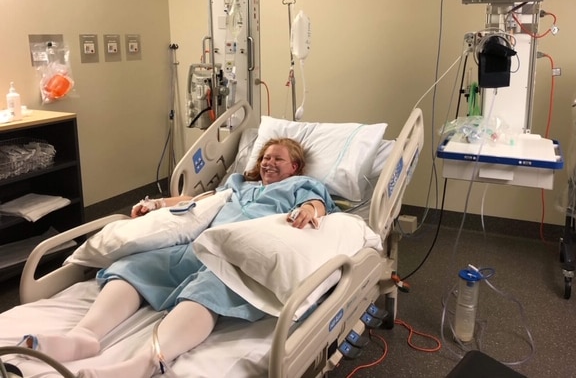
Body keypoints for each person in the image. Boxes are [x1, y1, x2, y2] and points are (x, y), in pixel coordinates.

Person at [21, 138, 339, 378]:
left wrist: (309, 210)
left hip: (238, 259)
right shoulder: (240, 184)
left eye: (278, 159)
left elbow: (316, 204)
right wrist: (158, 204)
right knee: (133, 267)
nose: (268, 162)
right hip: (199, 246)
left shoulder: (301, 185)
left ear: (294, 166)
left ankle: (145, 362)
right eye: (265, 157)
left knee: (208, 288)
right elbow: (199, 200)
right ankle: (84, 336)